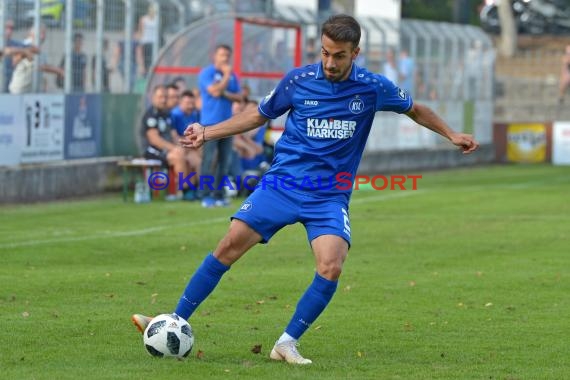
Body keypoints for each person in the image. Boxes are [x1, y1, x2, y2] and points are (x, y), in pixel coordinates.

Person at [131, 14, 479, 364]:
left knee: (331, 265)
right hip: (282, 186)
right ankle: (174, 319)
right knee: (228, 247)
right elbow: (258, 115)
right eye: (325, 53)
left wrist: (451, 134)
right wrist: (207, 131)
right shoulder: (297, 81)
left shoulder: (372, 87)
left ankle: (286, 343)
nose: (329, 62)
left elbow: (415, 109)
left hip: (328, 195)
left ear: (355, 53)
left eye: (339, 55)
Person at [197, 44, 244, 208]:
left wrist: (225, 92)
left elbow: (239, 98)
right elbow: (215, 92)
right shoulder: (207, 73)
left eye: (227, 55)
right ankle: (205, 195)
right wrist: (226, 75)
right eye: (222, 55)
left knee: (225, 161)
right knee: (209, 160)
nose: (225, 58)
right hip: (209, 123)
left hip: (227, 123)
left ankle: (218, 195)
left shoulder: (233, 76)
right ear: (214, 56)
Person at [141, 84, 192, 197]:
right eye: (160, 97)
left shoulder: (167, 114)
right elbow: (154, 139)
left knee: (191, 155)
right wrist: (174, 148)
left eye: (165, 97)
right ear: (152, 97)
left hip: (166, 150)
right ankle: (184, 190)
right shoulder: (151, 115)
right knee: (178, 156)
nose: (163, 100)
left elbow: (173, 135)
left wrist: (185, 145)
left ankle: (197, 187)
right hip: (152, 151)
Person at [170, 90, 202, 200]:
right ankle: (185, 190)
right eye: (187, 103)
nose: (190, 106)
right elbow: (174, 136)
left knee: (198, 160)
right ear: (180, 102)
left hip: (191, 146)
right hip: (179, 147)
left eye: (192, 103)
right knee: (189, 159)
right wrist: (187, 145)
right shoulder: (175, 114)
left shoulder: (195, 114)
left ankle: (199, 189)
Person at [23, 24, 65, 92]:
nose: (43, 36)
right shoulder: (26, 45)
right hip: (22, 89)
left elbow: (44, 65)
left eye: (44, 33)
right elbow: (39, 66)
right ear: (33, 34)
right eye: (41, 33)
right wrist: (58, 71)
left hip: (31, 88)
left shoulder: (39, 49)